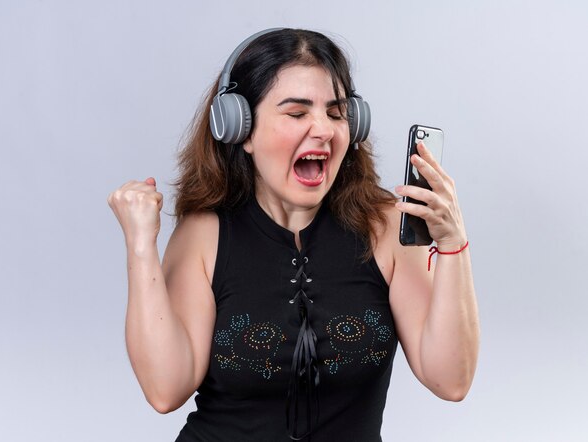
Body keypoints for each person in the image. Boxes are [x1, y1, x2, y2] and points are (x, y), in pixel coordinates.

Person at [107, 28, 479, 442]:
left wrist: (452, 244)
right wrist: (140, 245)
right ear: (241, 130)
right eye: (297, 113)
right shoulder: (204, 236)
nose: (323, 129)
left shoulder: (384, 227)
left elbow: (451, 380)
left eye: (336, 113)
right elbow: (165, 389)